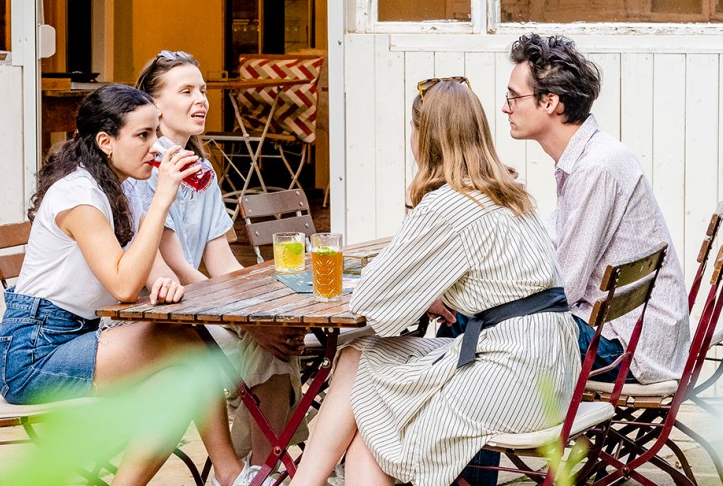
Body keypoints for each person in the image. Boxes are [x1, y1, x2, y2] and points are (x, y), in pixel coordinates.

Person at [290, 77, 582, 486]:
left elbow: (372, 301)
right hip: (552, 367)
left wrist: (419, 276)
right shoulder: (505, 191)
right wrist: (427, 291)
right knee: (359, 361)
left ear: (424, 137)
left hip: (512, 375)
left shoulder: (448, 203)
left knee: (375, 428)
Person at [0, 83, 202, 486]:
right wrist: (162, 199)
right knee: (189, 341)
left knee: (182, 378)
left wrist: (164, 285)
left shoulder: (120, 190)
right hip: (33, 356)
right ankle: (231, 474)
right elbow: (124, 286)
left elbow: (147, 271)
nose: (156, 146)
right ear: (106, 141)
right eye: (143, 135)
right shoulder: (80, 197)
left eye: (156, 132)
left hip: (76, 339)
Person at [125, 50, 305, 486]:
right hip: (159, 317)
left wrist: (266, 300)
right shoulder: (144, 169)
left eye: (202, 90)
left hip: (197, 307)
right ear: (154, 105)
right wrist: (248, 320)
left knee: (279, 338)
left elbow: (220, 260)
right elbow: (175, 266)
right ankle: (261, 472)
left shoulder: (200, 168)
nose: (201, 100)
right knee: (267, 343)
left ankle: (263, 471)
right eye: (186, 91)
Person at [503, 34, 689, 384]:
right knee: (480, 319)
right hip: (630, 333)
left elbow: (562, 289)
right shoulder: (589, 158)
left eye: (514, 97)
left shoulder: (596, 168)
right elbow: (548, 246)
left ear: (550, 102)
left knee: (478, 322)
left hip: (627, 349)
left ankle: (463, 434)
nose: (505, 108)